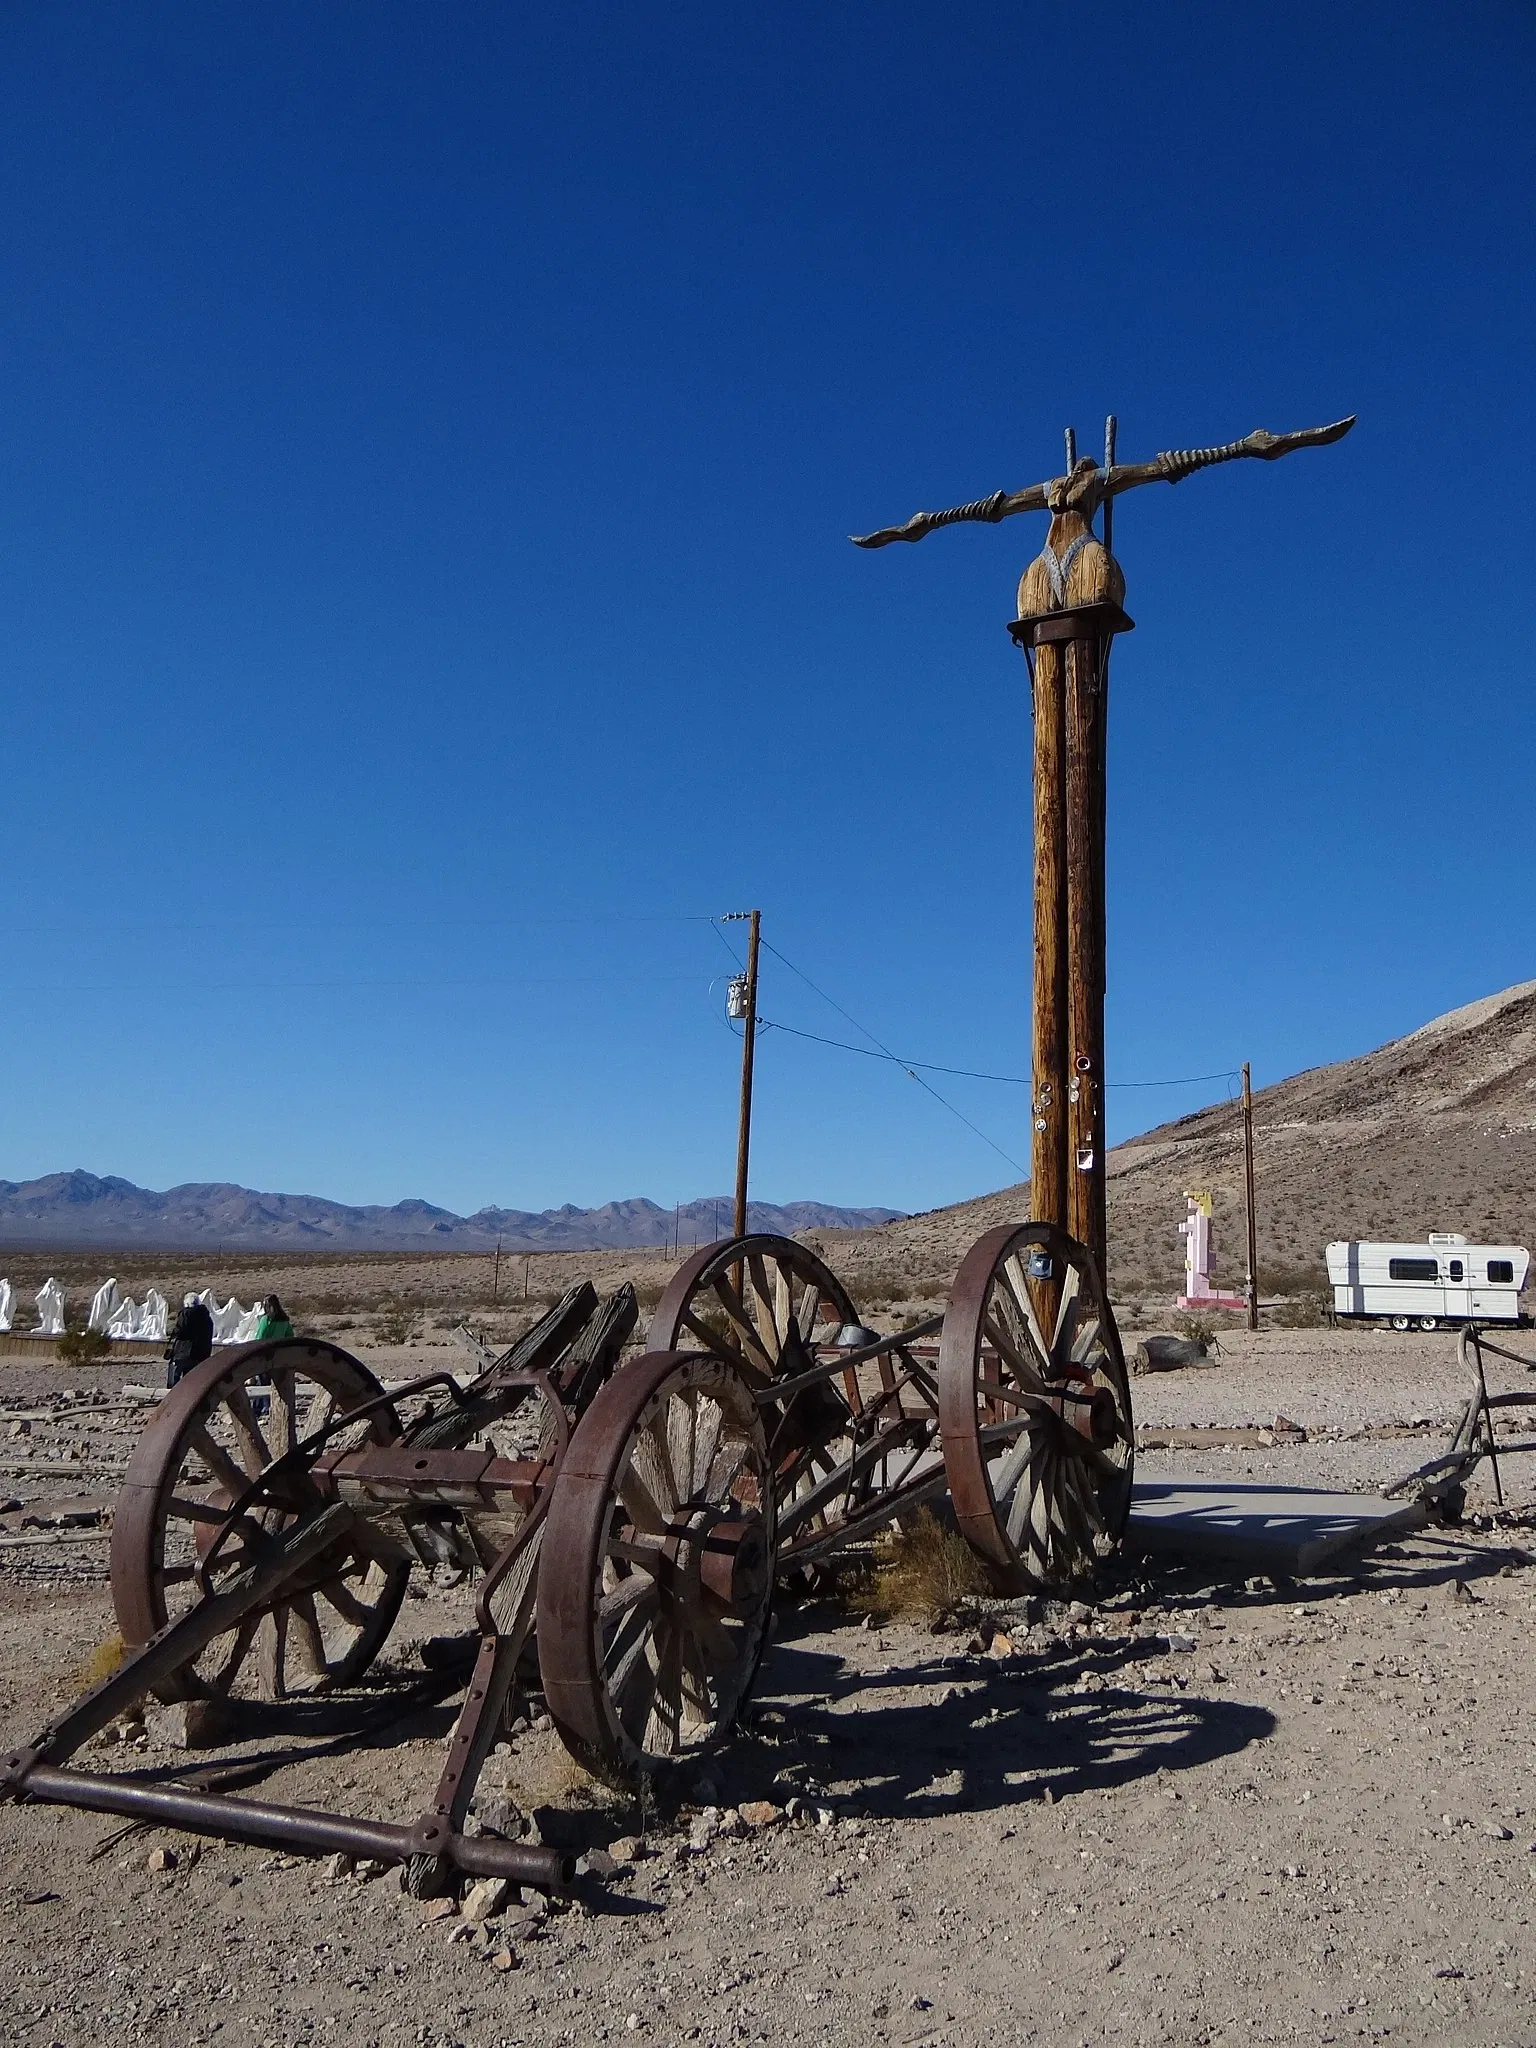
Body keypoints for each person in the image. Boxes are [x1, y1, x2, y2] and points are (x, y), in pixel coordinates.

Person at [164, 1293, 215, 1388]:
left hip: (183, 1352)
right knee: (191, 1381)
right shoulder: (206, 1317)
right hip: (200, 1354)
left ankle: (173, 1399)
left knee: (175, 1379)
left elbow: (179, 1331)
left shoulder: (185, 1314)